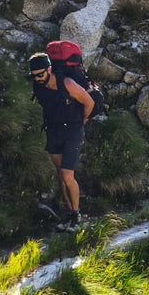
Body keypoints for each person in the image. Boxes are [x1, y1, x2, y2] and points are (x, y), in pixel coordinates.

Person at [29, 52, 94, 229]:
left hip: (73, 131)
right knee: (61, 175)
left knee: (67, 175)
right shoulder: (39, 85)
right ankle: (70, 215)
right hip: (54, 131)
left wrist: (83, 120)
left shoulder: (68, 84)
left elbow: (89, 102)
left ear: (49, 69)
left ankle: (77, 216)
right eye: (33, 75)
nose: (37, 78)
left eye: (40, 74)